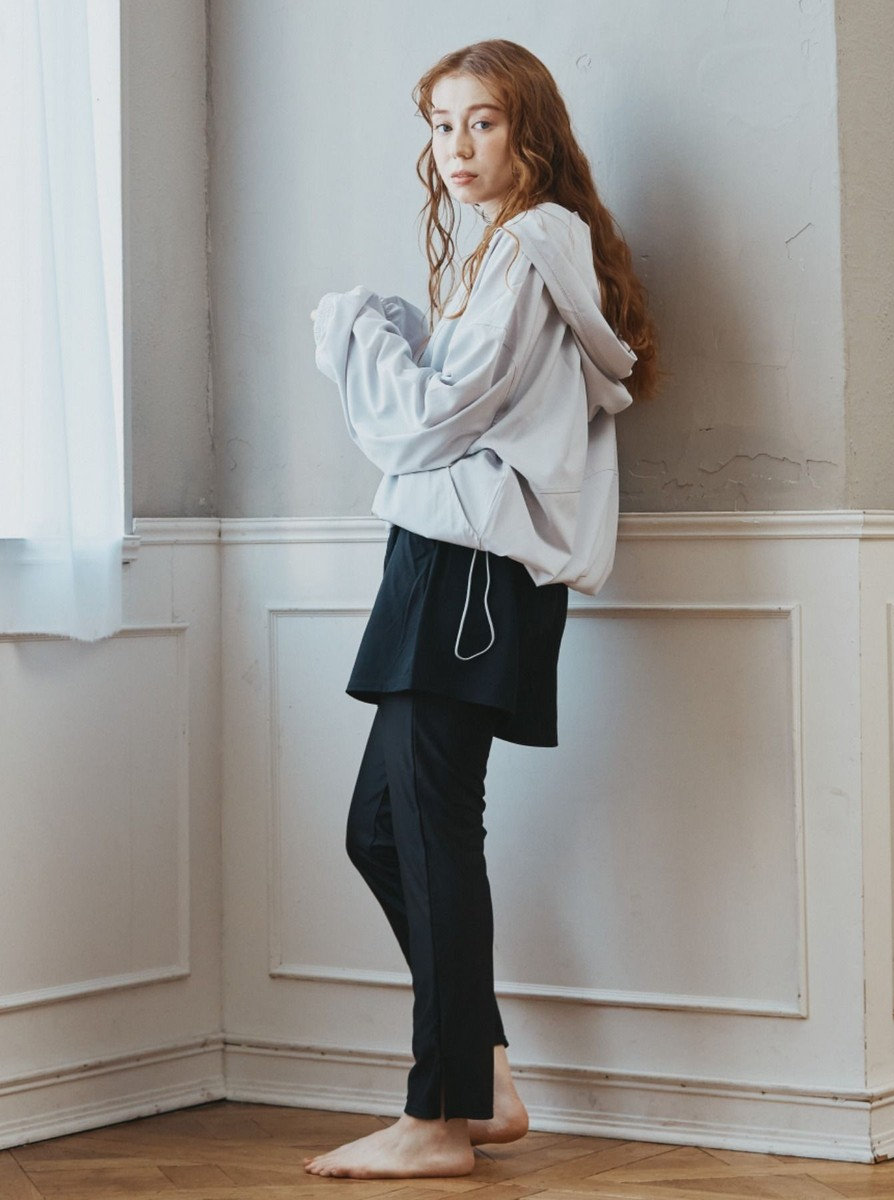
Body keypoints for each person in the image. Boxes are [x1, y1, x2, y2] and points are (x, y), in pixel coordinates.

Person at [304, 38, 660, 1180]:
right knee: (382, 830)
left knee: (432, 828)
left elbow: (430, 420)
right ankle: (482, 1076)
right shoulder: (509, 250)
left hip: (468, 568)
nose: (456, 147)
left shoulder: (529, 247)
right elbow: (464, 406)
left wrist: (360, 330)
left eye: (483, 122)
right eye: (441, 123)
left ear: (530, 133)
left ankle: (437, 1118)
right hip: (445, 560)